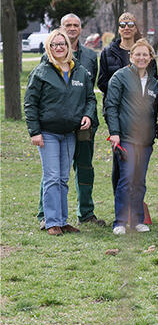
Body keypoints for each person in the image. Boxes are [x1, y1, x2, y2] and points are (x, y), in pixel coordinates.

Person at [25, 29, 97, 236]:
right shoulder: (41, 72)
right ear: (49, 47)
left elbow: (90, 99)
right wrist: (34, 132)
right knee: (52, 176)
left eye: (62, 44)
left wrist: (88, 115)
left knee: (63, 178)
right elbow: (30, 104)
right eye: (54, 44)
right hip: (48, 133)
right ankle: (51, 221)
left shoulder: (80, 71)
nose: (59, 47)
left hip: (69, 133)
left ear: (68, 46)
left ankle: (63, 221)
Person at [51, 13, 102, 227]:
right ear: (60, 28)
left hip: (85, 123)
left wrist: (88, 115)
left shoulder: (90, 56)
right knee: (54, 171)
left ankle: (86, 213)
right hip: (59, 123)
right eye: (67, 25)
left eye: (76, 25)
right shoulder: (52, 54)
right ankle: (46, 213)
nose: (72, 28)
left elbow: (91, 91)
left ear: (81, 29)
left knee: (84, 167)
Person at [104, 39, 158, 235]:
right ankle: (120, 221)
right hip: (126, 137)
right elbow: (111, 106)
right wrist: (115, 133)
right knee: (126, 179)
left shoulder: (154, 82)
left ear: (151, 57)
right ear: (131, 56)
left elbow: (155, 111)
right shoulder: (120, 77)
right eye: (138, 54)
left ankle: (137, 220)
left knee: (139, 181)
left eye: (146, 55)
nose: (142, 58)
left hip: (145, 140)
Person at [98, 12, 153, 208]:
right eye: (123, 24)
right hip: (117, 113)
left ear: (136, 27)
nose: (127, 27)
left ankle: (137, 206)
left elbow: (150, 81)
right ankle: (120, 204)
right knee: (120, 164)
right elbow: (102, 81)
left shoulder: (144, 51)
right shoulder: (108, 52)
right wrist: (120, 91)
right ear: (118, 27)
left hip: (139, 116)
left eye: (131, 23)